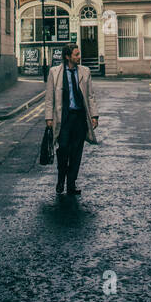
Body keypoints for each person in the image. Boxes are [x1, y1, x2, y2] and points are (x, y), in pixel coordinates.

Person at [44, 43, 98, 195]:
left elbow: (90, 95)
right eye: (76, 55)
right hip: (64, 119)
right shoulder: (55, 73)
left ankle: (71, 184)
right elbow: (49, 98)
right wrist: (49, 118)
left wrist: (94, 115)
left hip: (79, 118)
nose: (79, 57)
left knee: (76, 152)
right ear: (68, 57)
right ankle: (61, 179)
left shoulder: (85, 72)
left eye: (79, 54)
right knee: (63, 151)